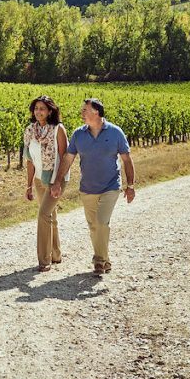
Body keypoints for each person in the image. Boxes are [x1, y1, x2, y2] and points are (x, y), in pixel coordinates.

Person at [51, 98, 135, 275]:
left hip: (111, 187)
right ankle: (106, 260)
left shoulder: (115, 132)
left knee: (101, 223)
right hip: (87, 188)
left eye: (85, 110)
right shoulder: (78, 134)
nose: (82, 113)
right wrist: (57, 181)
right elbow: (68, 158)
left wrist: (131, 185)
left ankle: (99, 261)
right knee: (94, 227)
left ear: (96, 112)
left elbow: (127, 159)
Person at [23, 95, 69, 272]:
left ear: (50, 111)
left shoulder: (58, 129)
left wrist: (57, 182)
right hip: (39, 180)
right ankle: (56, 254)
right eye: (36, 109)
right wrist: (28, 185)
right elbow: (29, 160)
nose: (38, 112)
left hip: (56, 180)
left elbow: (65, 157)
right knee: (51, 216)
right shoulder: (30, 131)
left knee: (43, 215)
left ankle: (44, 260)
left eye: (42, 108)